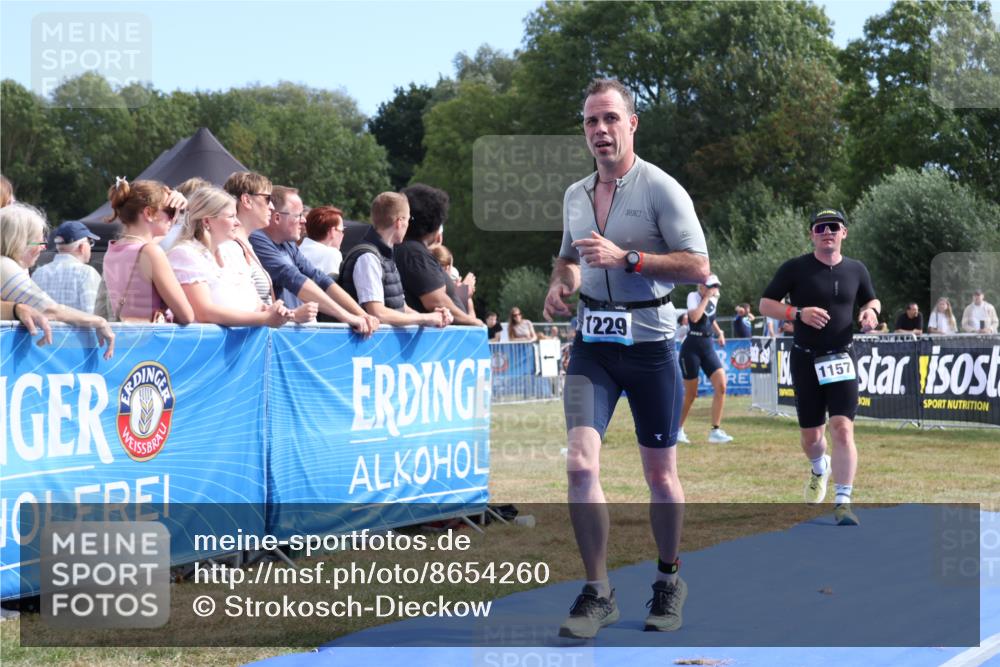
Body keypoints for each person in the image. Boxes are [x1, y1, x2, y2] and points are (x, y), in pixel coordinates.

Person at [543, 78, 710, 638]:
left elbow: (696, 265)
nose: (600, 130)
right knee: (580, 465)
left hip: (651, 345)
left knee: (660, 474)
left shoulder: (663, 189)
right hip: (593, 345)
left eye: (610, 119)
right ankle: (598, 591)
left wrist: (629, 258)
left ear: (632, 124)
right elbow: (568, 257)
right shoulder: (574, 195)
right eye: (591, 122)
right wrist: (560, 284)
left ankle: (668, 578)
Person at [759, 209, 880, 527]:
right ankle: (818, 468)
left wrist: (869, 313)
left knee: (842, 428)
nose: (827, 231)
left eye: (834, 227)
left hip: (842, 358)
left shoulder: (856, 269)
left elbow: (871, 300)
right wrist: (798, 313)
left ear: (844, 233)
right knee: (812, 437)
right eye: (820, 227)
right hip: (805, 358)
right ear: (812, 234)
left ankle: (843, 501)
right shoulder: (795, 268)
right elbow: (765, 304)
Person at [248, 185, 377, 336]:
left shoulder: (287, 242)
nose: (304, 221)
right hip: (277, 336)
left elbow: (319, 278)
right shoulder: (257, 239)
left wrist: (362, 314)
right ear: (277, 218)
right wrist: (347, 316)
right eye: (298, 215)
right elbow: (293, 278)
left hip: (291, 333)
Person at [1, 202, 114, 358]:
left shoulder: (23, 268)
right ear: (19, 241)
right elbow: (49, 309)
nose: (43, 247)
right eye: (39, 241)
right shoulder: (4, 265)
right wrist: (99, 321)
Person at [167, 187, 293, 327]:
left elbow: (257, 305)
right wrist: (263, 319)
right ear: (207, 221)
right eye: (231, 216)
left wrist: (276, 312)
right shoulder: (185, 254)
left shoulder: (233, 251)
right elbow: (204, 312)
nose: (238, 222)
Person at [338, 192, 451, 328]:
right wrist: (426, 318)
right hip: (371, 347)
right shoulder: (368, 258)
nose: (408, 225)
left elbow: (399, 306)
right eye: (409, 220)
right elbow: (378, 313)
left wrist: (433, 318)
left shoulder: (383, 255)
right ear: (399, 222)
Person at [102, 178, 195, 323]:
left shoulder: (113, 249)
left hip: (129, 339)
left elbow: (147, 244)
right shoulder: (151, 252)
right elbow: (186, 316)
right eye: (170, 211)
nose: (174, 218)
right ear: (149, 213)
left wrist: (175, 213)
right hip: (153, 341)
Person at [396, 184, 483, 326]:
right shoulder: (414, 253)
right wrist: (476, 324)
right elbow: (436, 301)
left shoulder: (409, 250)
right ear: (435, 224)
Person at [677, 275, 733, 444]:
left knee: (721, 386)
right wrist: (706, 297)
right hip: (691, 347)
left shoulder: (713, 298)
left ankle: (715, 431)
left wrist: (720, 332)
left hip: (708, 346)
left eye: (715, 286)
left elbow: (711, 319)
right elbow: (694, 318)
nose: (714, 289)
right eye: (711, 286)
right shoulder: (692, 297)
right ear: (701, 286)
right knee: (691, 394)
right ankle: (677, 430)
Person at [31, 221, 102, 313]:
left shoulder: (38, 273)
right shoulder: (87, 273)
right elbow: (94, 316)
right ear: (82, 247)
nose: (91, 246)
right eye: (90, 242)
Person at [299, 206, 345, 279]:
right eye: (342, 230)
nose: (342, 235)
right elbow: (331, 288)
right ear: (332, 231)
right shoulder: (332, 254)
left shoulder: (297, 250)